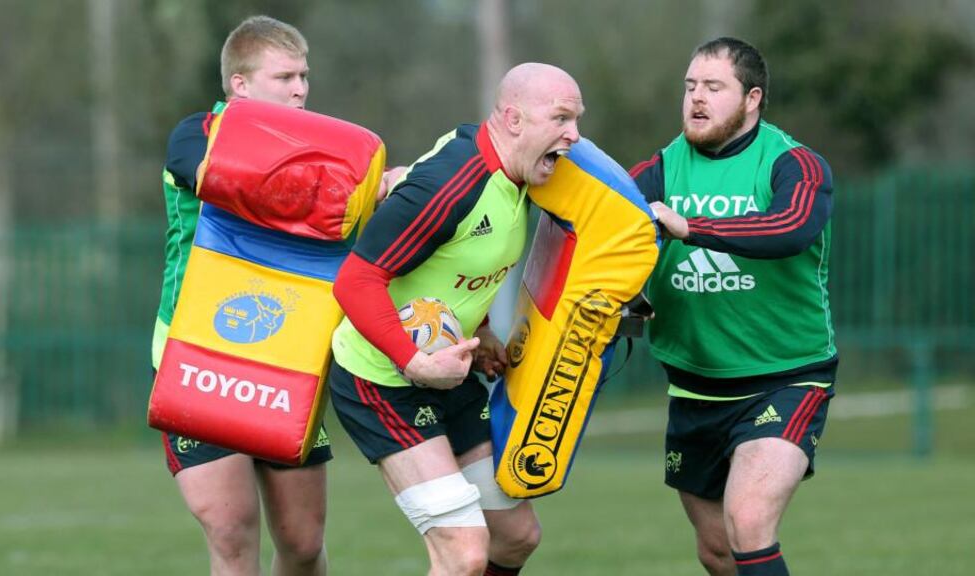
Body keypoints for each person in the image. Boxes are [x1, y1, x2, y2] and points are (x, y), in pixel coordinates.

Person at [327, 62, 584, 575]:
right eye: (560, 118)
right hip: (382, 379)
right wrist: (414, 362)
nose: (573, 135)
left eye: (576, 120)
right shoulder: (451, 184)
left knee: (514, 538)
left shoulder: (519, 177)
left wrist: (483, 330)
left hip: (449, 372)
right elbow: (354, 281)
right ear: (513, 118)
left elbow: (464, 264)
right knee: (463, 553)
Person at [628, 37, 836, 576]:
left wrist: (691, 227)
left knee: (748, 522)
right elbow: (605, 236)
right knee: (718, 550)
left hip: (786, 377)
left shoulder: (796, 164)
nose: (696, 98)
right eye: (691, 86)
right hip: (694, 386)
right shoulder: (660, 168)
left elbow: (789, 228)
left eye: (714, 88)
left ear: (752, 99)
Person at [152, 16, 333, 575]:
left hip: (286, 357)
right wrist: (321, 188)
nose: (300, 88)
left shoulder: (325, 149)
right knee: (232, 535)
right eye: (284, 76)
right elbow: (212, 173)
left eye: (303, 75)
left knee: (303, 544)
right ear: (241, 85)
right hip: (198, 351)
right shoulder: (197, 133)